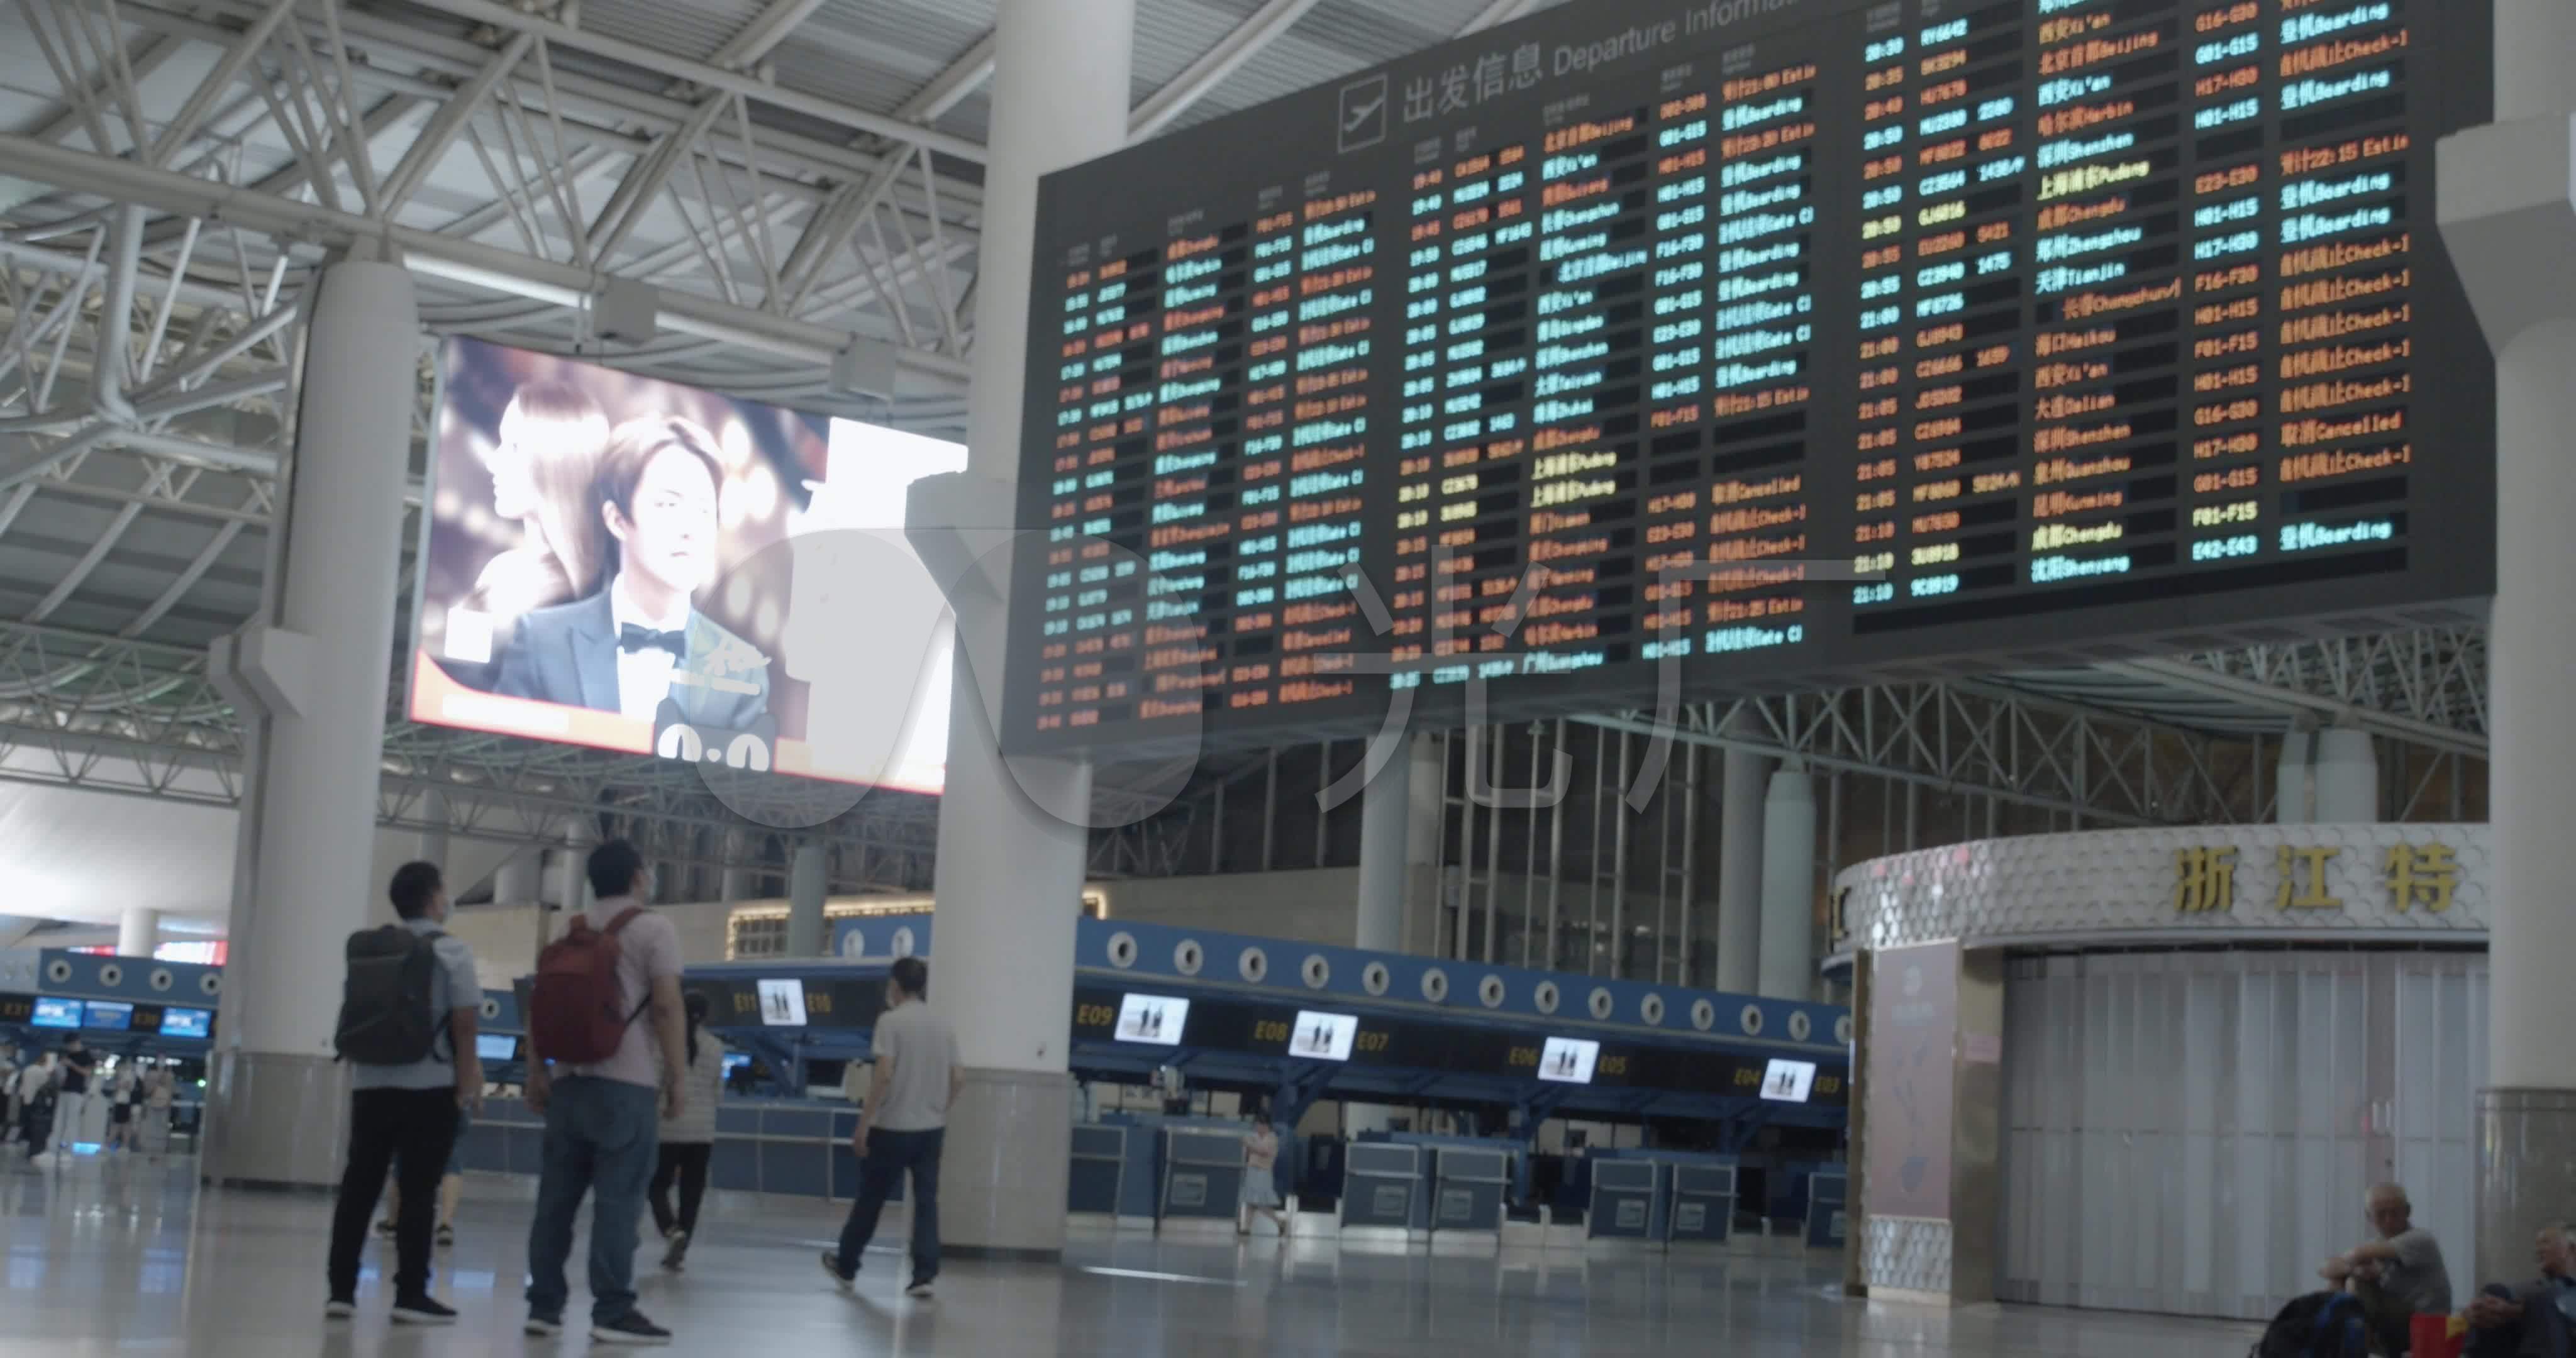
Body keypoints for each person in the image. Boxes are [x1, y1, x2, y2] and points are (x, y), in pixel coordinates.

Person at [492, 417, 769, 732]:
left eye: (704, 510)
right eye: (668, 504)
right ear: (617, 520)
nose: (690, 529)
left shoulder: (742, 671)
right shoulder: (543, 641)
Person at [523, 839, 688, 1345]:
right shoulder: (655, 928)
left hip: (569, 1086)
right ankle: (612, 1310)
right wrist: (677, 1076)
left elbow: (540, 1005)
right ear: (639, 877)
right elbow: (665, 1006)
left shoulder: (569, 930)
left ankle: (544, 1307)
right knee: (619, 1204)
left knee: (555, 1203)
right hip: (626, 1087)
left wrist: (536, 1070)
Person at [325, 861, 482, 1327]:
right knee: (418, 1191)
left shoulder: (372, 949)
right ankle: (410, 1294)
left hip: (370, 1084)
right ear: (435, 898)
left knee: (359, 1188)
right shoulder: (452, 950)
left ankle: (341, 1292)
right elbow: (466, 1022)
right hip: (429, 1086)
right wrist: (467, 1080)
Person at [821, 955, 957, 1301]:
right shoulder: (943, 1024)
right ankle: (924, 1274)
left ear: (895, 985)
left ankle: (847, 1265)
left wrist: (864, 1124)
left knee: (871, 1198)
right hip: (931, 1129)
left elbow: (883, 1074)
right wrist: (940, 1108)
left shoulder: (890, 1022)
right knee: (927, 1201)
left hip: (893, 1127)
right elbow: (960, 1078)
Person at [466, 382, 612, 622]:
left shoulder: (609, 592)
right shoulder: (502, 572)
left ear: (558, 463)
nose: (493, 462)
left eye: (514, 447)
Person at [2320, 1183, 2454, 1355]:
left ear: (2408, 1211)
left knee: (2356, 1282)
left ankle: (2349, 1349)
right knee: (2342, 1279)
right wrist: (2351, 1271)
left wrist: (2352, 1270)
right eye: (2381, 1214)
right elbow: (2325, 1268)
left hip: (2426, 1327)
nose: (2389, 1220)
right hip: (2394, 1325)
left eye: (2395, 1212)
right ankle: (2339, 1345)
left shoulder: (2420, 1240)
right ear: (2369, 1216)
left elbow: (2355, 1255)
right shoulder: (2374, 1245)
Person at [648, 991, 724, 1272]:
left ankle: (671, 1230)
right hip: (703, 1132)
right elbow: (719, 1094)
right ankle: (681, 1248)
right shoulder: (717, 1047)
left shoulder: (665, 1044)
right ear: (706, 1016)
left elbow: (655, 1085)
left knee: (656, 1185)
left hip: (669, 1128)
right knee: (692, 1194)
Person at [2467, 1222, 2576, 1357]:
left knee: (2541, 1300)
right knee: (2493, 1292)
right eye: (2538, 1245)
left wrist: (2520, 1311)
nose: (2539, 1250)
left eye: (2546, 1242)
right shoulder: (2529, 1287)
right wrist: (2472, 1312)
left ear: (2571, 1248)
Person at [1239, 1110, 1289, 1236]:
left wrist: (1249, 1144)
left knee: (1261, 1203)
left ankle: (1280, 1222)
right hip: (1252, 1171)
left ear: (1265, 1125)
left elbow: (1264, 1151)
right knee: (1250, 1202)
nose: (1257, 1127)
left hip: (1263, 1173)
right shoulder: (1254, 1137)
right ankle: (1246, 1228)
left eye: (1259, 1125)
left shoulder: (1272, 1138)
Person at [53, 1035, 94, 1154]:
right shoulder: (69, 1055)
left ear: (76, 1042)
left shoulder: (87, 1056)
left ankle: (69, 1148)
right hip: (65, 1090)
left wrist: (72, 1065)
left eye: (70, 1045)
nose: (69, 1048)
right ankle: (55, 1146)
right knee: (59, 1119)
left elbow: (87, 1073)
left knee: (72, 1120)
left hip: (77, 1092)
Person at [14, 1052, 57, 1158]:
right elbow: (46, 1086)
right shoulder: (42, 1072)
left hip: (24, 1098)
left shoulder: (27, 1069)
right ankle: (31, 1143)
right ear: (45, 1062)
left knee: (24, 1121)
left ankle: (22, 1140)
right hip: (36, 1100)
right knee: (35, 1124)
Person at [142, 1061, 176, 1161]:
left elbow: (170, 1090)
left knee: (161, 1127)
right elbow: (147, 1091)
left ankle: (159, 1150)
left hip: (163, 1105)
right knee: (153, 1127)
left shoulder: (169, 1076)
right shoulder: (152, 1076)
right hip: (154, 1105)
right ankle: (152, 1150)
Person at [103, 1060, 139, 1153]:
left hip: (124, 1103)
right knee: (123, 1126)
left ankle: (112, 1145)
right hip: (121, 1103)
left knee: (119, 1126)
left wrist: (120, 1085)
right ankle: (122, 1146)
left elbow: (127, 1086)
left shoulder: (128, 1075)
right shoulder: (124, 1076)